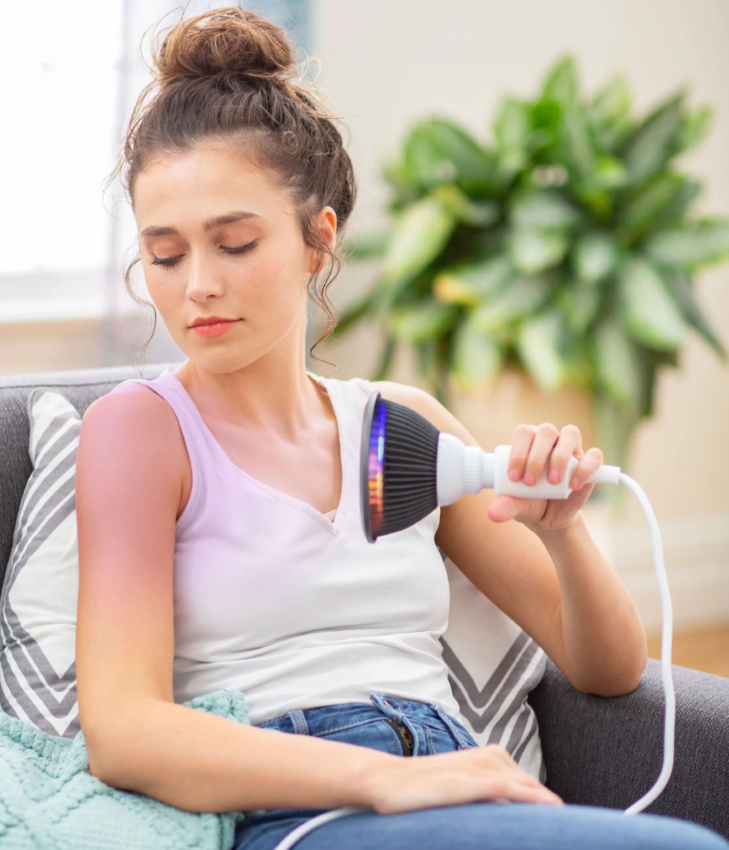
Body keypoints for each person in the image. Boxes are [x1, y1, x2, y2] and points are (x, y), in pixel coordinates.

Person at [73, 6, 729, 849]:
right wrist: (390, 779)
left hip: (459, 781)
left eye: (234, 242)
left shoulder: (400, 431)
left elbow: (608, 669)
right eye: (165, 255)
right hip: (300, 809)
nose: (196, 284)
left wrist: (564, 534)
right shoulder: (143, 432)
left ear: (319, 240)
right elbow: (123, 731)